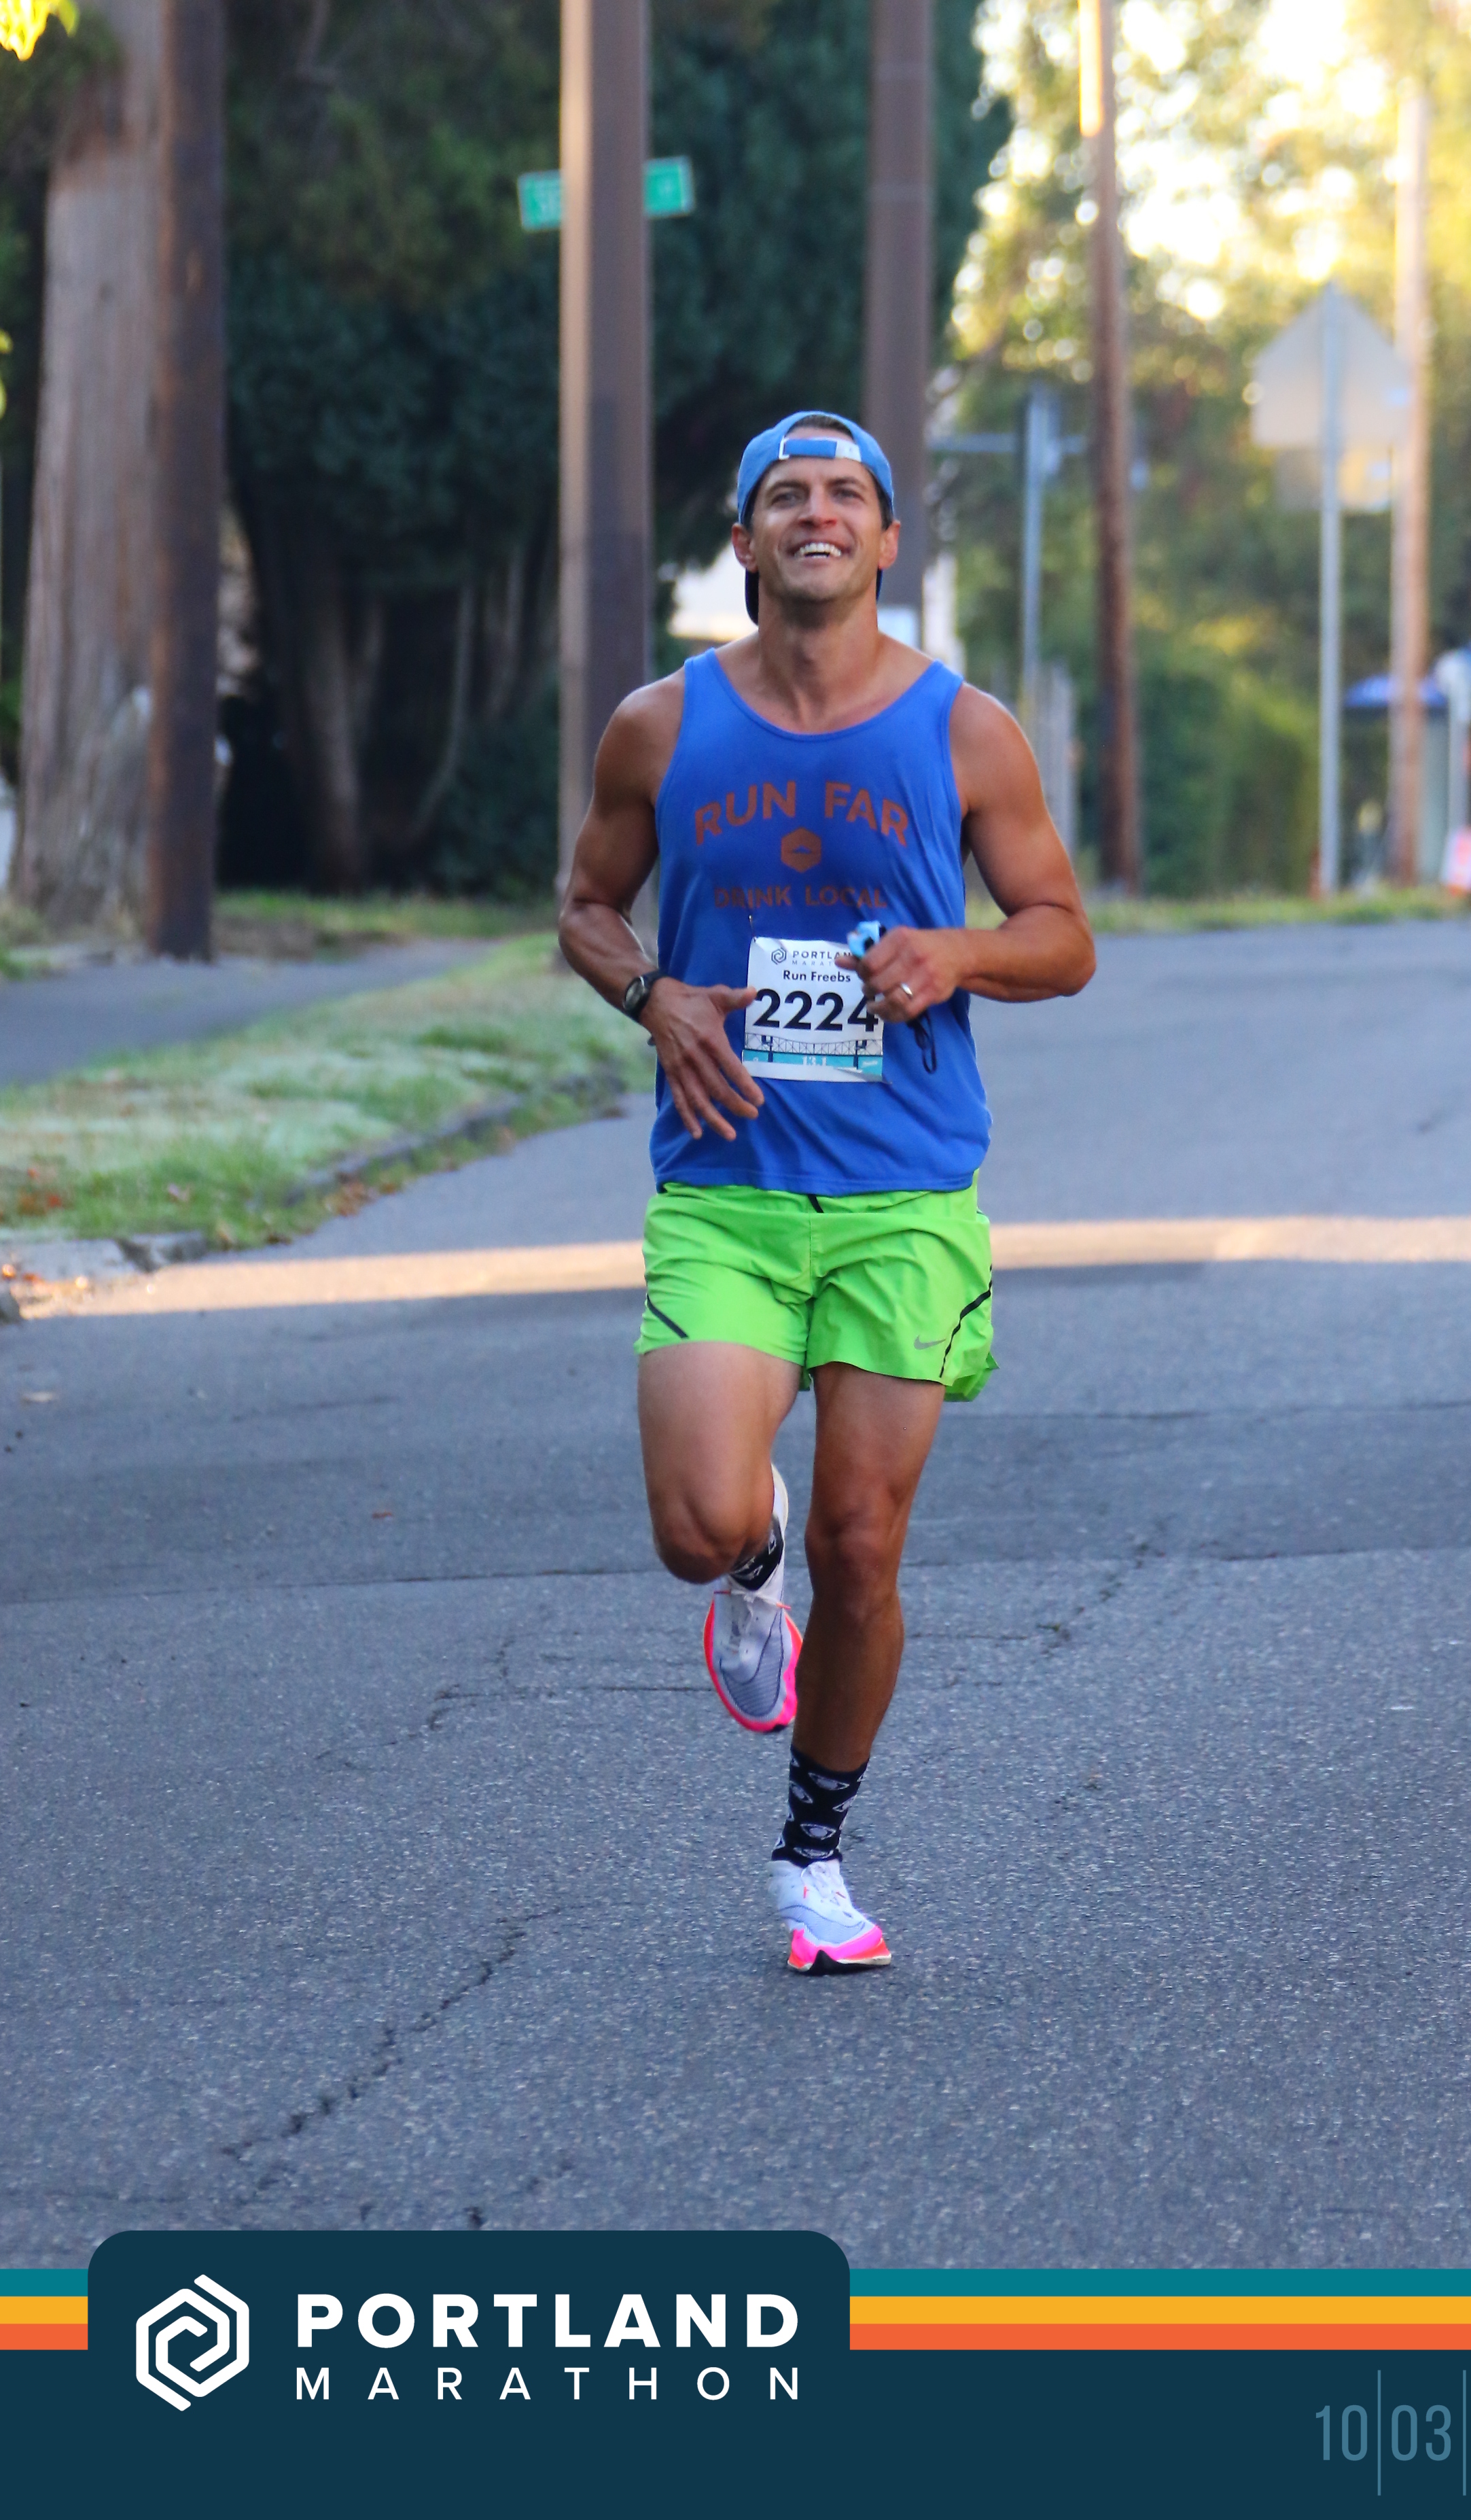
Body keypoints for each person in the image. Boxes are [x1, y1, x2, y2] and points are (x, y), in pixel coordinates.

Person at [559, 410, 1095, 1972]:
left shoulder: (964, 730)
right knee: (696, 1521)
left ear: (884, 540)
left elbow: (1062, 932)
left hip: (902, 1195)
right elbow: (587, 907)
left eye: (845, 495)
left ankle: (812, 1855)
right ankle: (749, 1564)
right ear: (742, 540)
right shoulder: (659, 727)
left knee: (867, 1544)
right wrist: (652, 992)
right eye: (784, 495)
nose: (817, 514)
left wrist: (961, 952)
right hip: (726, 1185)